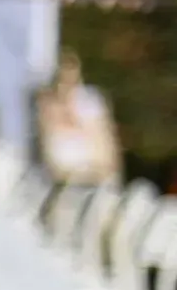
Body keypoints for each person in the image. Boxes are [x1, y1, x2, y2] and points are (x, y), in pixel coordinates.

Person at [37, 50, 120, 187]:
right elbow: (49, 155)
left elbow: (106, 150)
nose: (66, 86)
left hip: (93, 175)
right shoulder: (46, 108)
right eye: (63, 80)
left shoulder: (89, 106)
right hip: (62, 180)